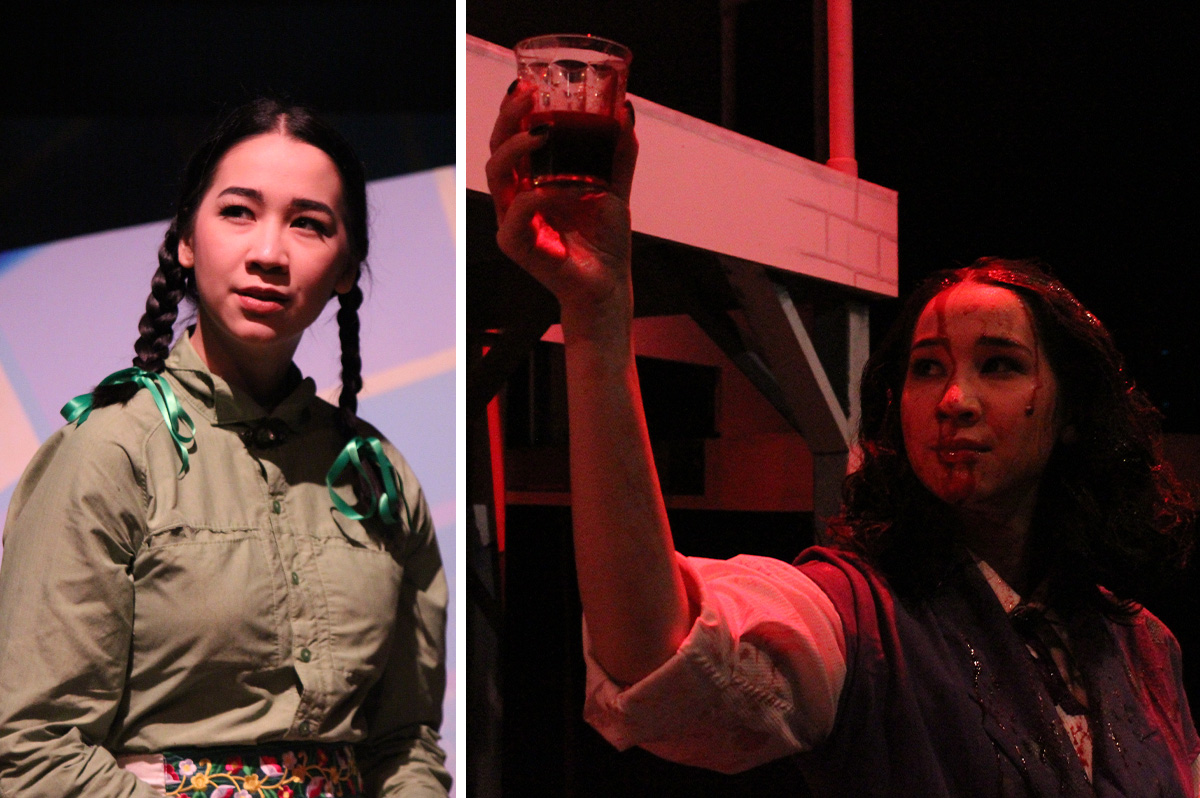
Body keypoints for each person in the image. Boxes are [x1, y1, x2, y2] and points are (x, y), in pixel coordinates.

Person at [485, 80, 1199, 796]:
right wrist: (598, 312)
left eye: (1000, 366)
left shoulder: (1142, 647)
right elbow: (659, 658)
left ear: (1074, 411)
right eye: (927, 369)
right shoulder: (856, 619)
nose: (954, 401)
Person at [0, 99, 450, 797]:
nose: (269, 253)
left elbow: (405, 740)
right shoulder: (110, 451)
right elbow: (33, 747)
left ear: (344, 269)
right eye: (238, 212)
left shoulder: (378, 477)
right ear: (185, 239)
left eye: (309, 224)